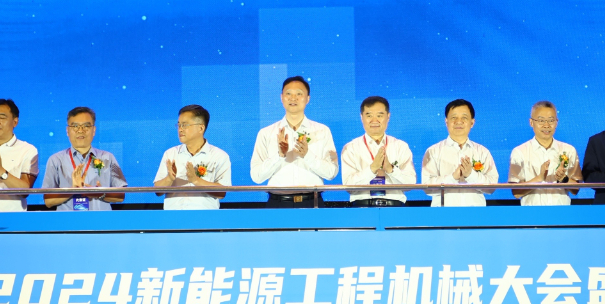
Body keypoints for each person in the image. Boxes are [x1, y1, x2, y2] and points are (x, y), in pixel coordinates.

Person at [250, 75, 338, 205]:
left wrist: (307, 155)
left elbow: (331, 173)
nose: (293, 98)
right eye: (288, 93)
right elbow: (256, 176)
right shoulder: (266, 133)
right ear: (282, 97)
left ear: (308, 99)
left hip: (312, 203)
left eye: (299, 94)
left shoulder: (322, 131)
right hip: (278, 204)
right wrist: (279, 156)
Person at [40, 107, 127, 211]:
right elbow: (48, 201)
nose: (80, 130)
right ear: (67, 131)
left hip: (100, 220)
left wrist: (99, 193)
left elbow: (121, 195)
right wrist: (72, 190)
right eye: (75, 126)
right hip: (68, 220)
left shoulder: (108, 158)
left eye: (86, 126)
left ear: (94, 130)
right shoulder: (55, 160)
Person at [421, 99, 499, 207]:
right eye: (454, 117)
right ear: (446, 121)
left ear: (472, 123)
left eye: (464, 117)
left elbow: (492, 187)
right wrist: (453, 177)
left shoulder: (482, 151)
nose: (458, 121)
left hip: (475, 213)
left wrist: (471, 175)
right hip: (443, 213)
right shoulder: (433, 151)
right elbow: (427, 187)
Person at [340, 96, 416, 206]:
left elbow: (411, 183)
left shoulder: (400, 146)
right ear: (361, 117)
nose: (374, 120)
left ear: (388, 116)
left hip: (395, 207)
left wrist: (391, 170)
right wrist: (372, 169)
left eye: (379, 115)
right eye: (369, 115)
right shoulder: (350, 148)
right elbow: (348, 185)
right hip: (362, 208)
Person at [153, 104, 231, 210]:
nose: (180, 129)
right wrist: (169, 179)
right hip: (173, 217)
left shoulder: (219, 156)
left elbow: (222, 193)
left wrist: (196, 181)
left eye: (185, 125)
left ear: (201, 128)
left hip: (205, 217)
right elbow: (157, 191)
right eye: (179, 125)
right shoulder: (170, 154)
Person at [508, 101, 582, 205]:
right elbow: (516, 192)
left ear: (556, 122)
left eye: (551, 120)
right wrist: (539, 179)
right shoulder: (519, 152)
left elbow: (576, 190)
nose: (546, 125)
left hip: (561, 212)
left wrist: (564, 179)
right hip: (532, 213)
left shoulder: (569, 150)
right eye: (541, 120)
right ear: (531, 122)